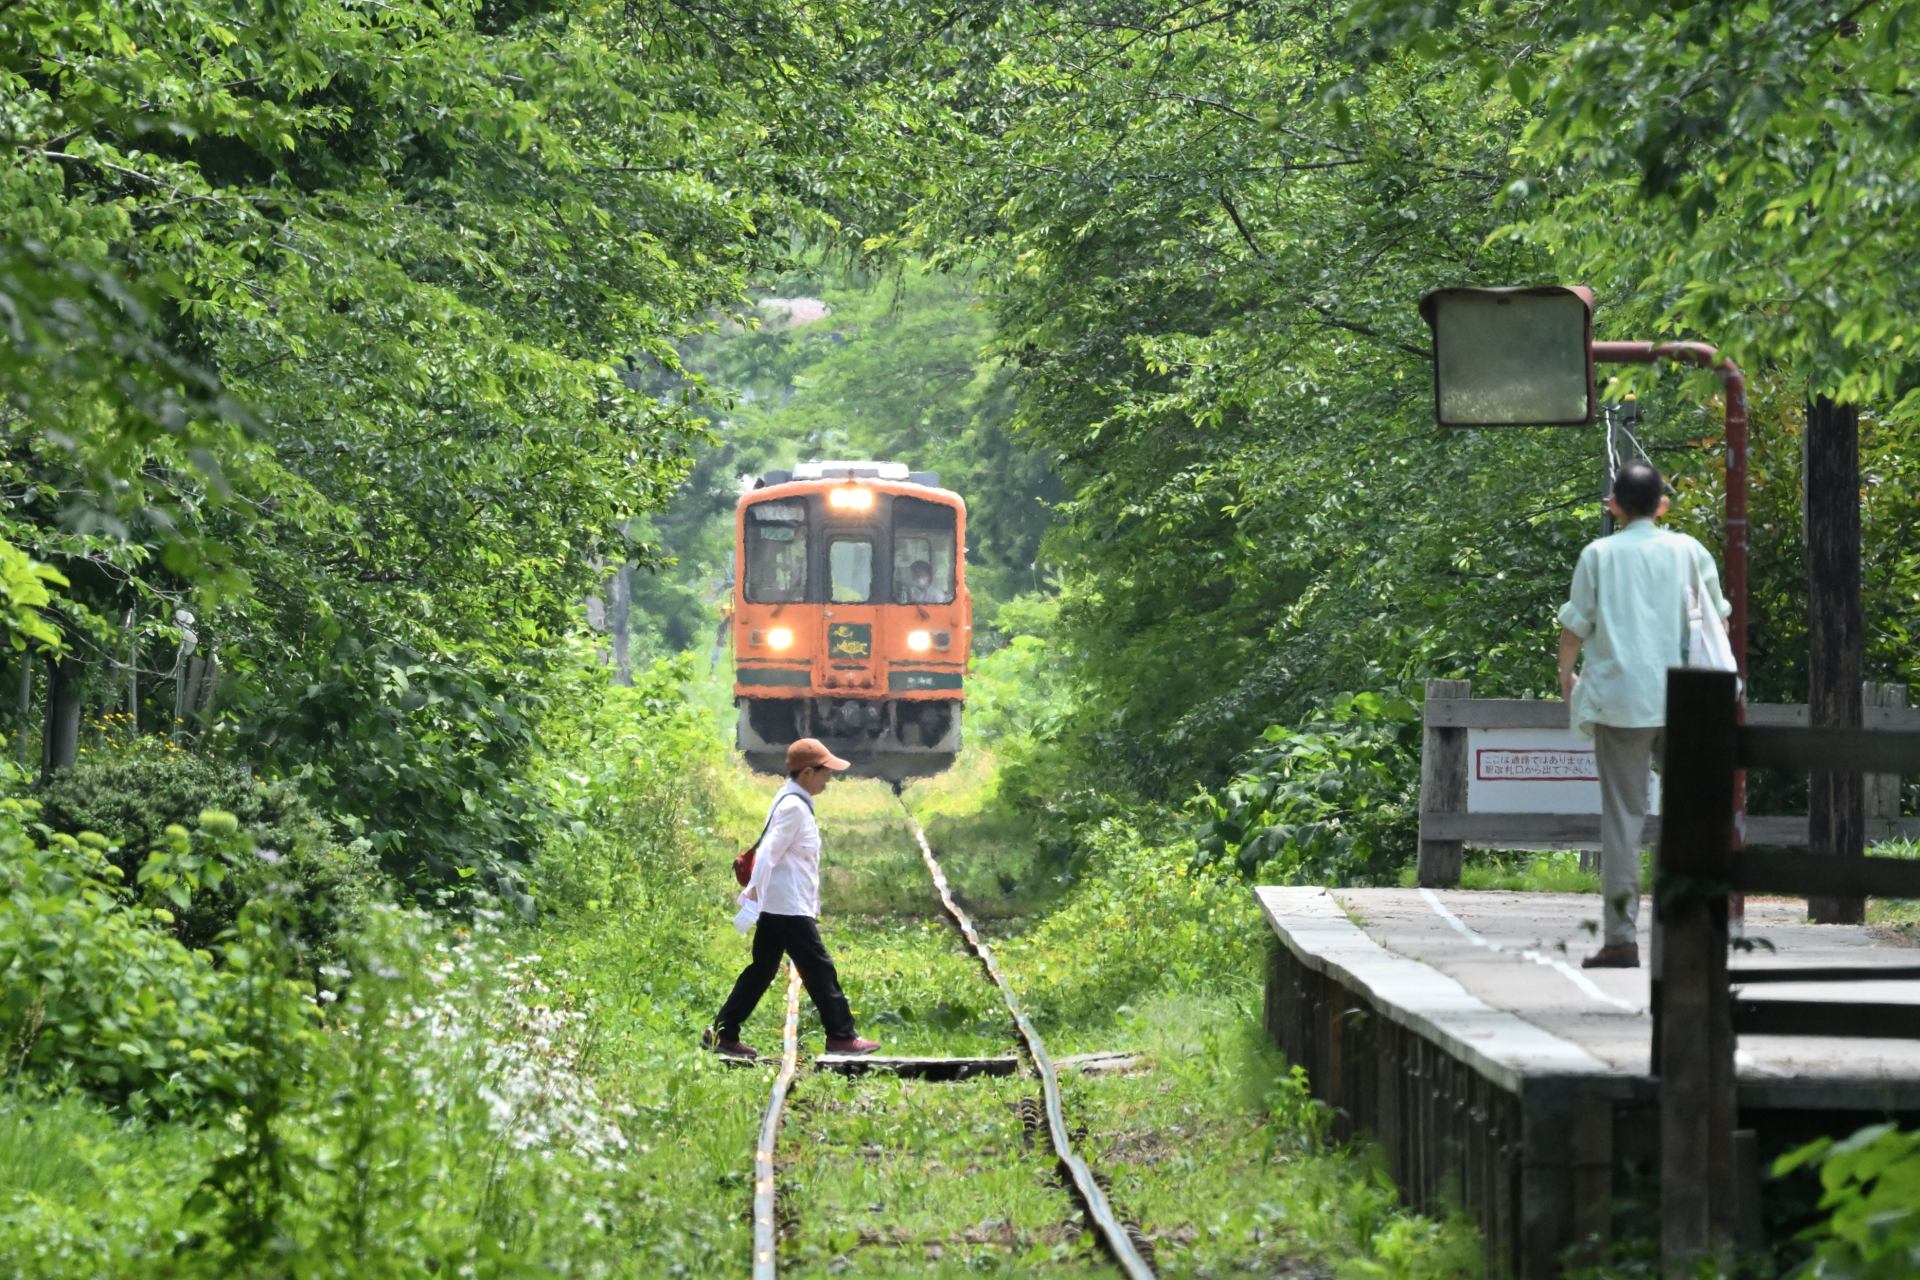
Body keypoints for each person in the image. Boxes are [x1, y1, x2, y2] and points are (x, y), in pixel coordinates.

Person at [1557, 461, 1730, 969]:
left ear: (1613, 505)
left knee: (1623, 820)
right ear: (1663, 505)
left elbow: (1575, 630)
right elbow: (1718, 618)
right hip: (1687, 699)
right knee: (1689, 817)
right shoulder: (1689, 551)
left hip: (1620, 700)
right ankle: (1690, 933)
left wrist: (1566, 676)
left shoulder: (1598, 555)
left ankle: (1620, 938)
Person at [704, 738, 880, 1058]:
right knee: (820, 969)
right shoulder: (793, 808)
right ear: (808, 772)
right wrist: (753, 894)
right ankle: (841, 1035)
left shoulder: (788, 800)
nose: (829, 779)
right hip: (787, 906)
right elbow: (769, 854)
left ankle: (723, 1033)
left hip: (781, 903)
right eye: (825, 773)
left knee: (762, 970)